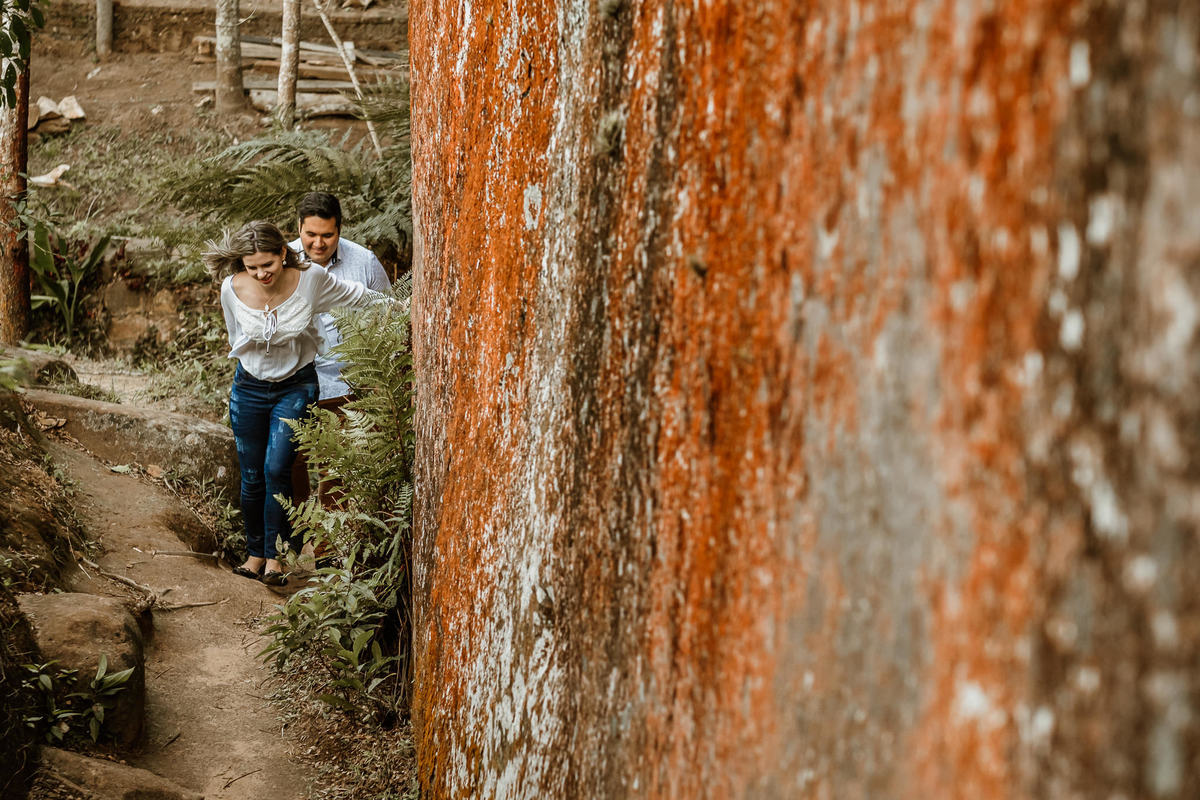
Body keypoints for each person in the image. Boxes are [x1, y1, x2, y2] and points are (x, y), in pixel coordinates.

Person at [204, 220, 389, 586]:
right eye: (251, 266)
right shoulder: (231, 287)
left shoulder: (311, 280)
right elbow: (234, 336)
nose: (260, 274)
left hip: (297, 386)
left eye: (267, 265)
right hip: (249, 389)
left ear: (283, 255)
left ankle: (276, 559)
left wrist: (405, 306)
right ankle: (254, 555)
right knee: (252, 475)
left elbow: (359, 297)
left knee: (277, 469)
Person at [288, 193, 391, 519]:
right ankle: (288, 548)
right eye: (311, 234)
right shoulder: (280, 261)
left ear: (340, 229)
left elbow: (389, 317)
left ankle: (329, 557)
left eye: (327, 235)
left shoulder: (364, 263)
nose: (318, 243)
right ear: (299, 227)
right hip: (292, 383)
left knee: (337, 477)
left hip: (347, 388)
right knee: (289, 467)